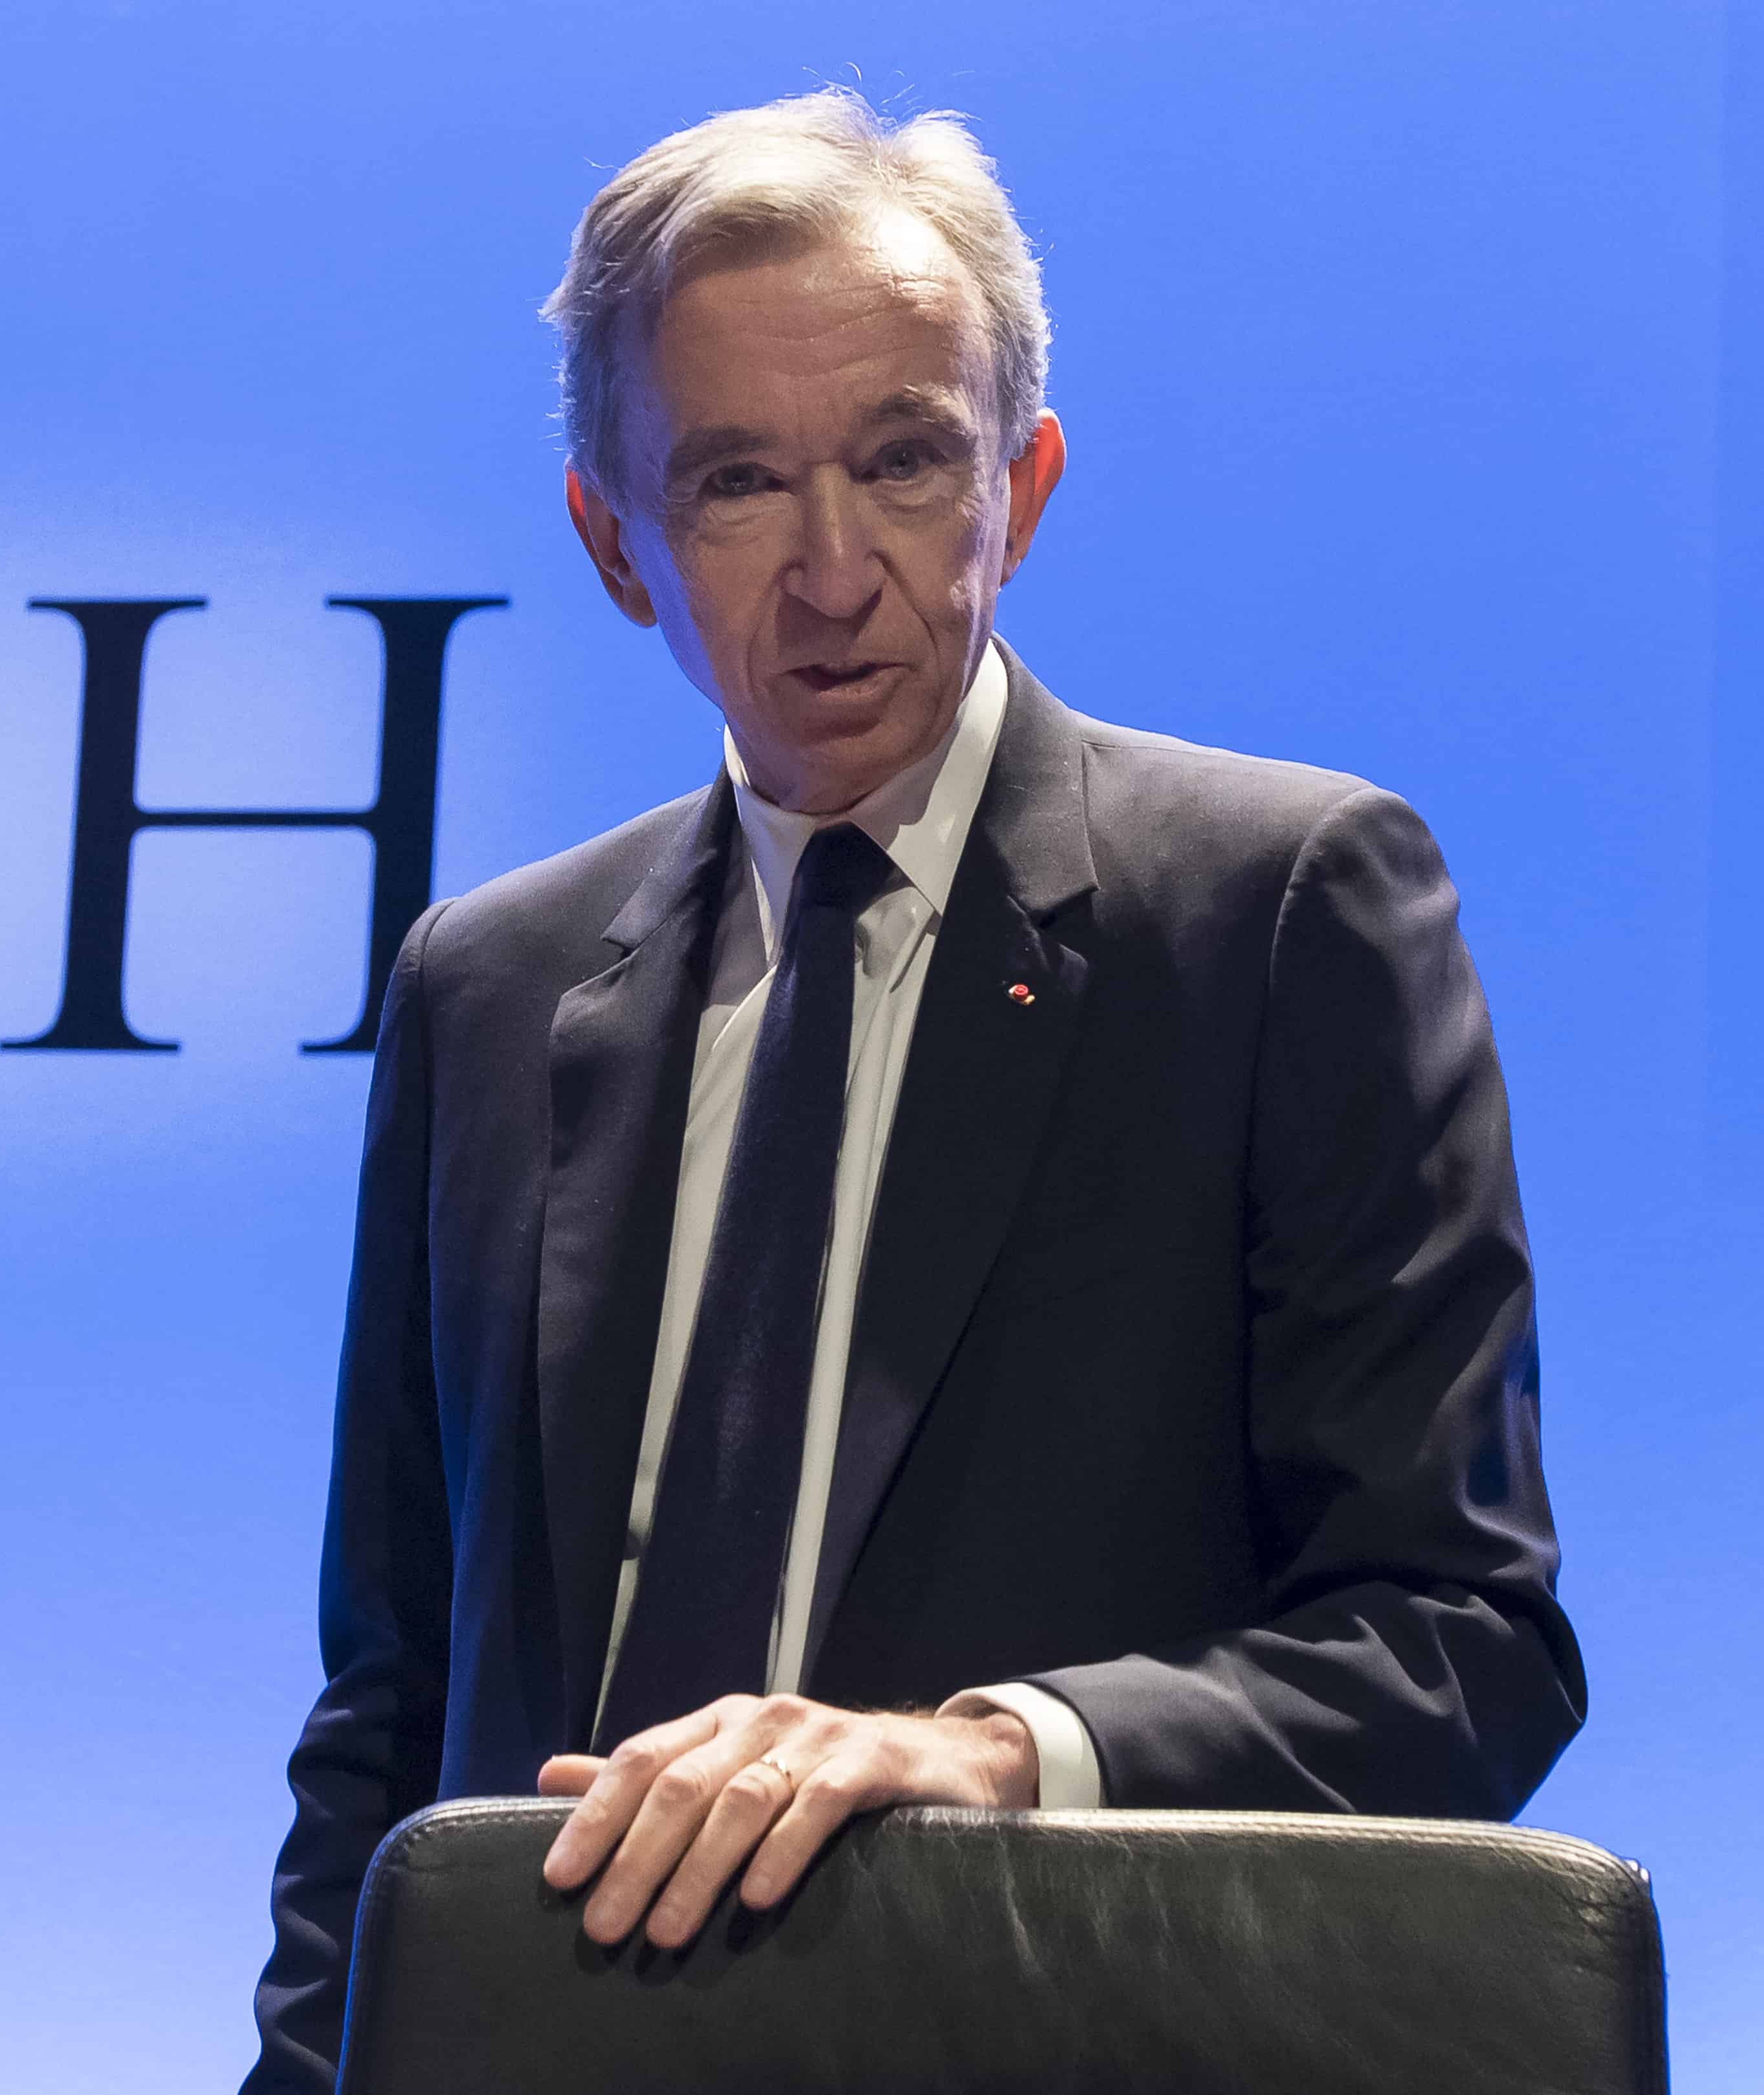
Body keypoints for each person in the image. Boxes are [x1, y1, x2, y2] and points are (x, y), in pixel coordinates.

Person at [242, 86, 1584, 2095]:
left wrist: (986, 1752)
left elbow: (1462, 1640)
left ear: (1020, 487)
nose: (833, 569)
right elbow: (390, 1714)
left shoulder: (1278, 911)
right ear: (615, 545)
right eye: (737, 482)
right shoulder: (487, 989)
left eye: (904, 461)